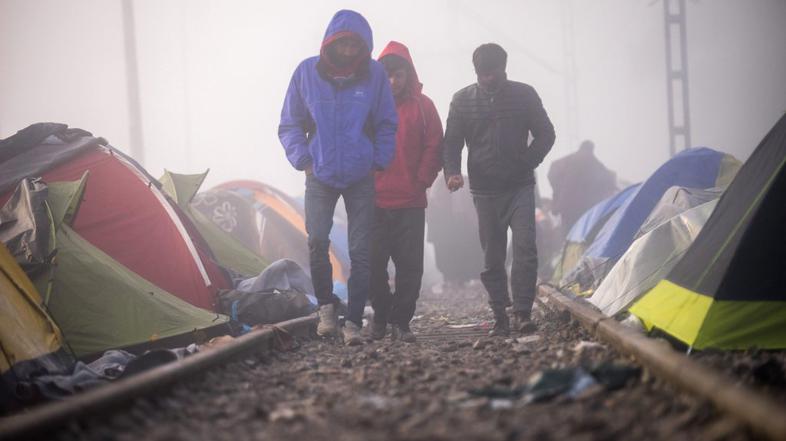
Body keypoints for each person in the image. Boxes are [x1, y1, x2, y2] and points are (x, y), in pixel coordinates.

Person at [278, 10, 398, 346]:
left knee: (361, 251)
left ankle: (354, 322)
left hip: (361, 175)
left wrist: (379, 160)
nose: (348, 51)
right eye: (342, 43)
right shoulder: (306, 73)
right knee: (317, 240)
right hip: (321, 173)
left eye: (354, 45)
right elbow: (290, 123)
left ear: (363, 46)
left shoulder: (374, 74)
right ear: (331, 42)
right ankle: (326, 309)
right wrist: (303, 160)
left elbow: (387, 121)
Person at [443, 43, 555, 337]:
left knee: (524, 249)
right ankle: (499, 313)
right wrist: (452, 172)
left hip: (519, 186)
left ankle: (521, 312)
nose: (489, 79)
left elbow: (546, 133)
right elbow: (452, 142)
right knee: (492, 255)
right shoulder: (462, 101)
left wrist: (528, 161)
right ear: (476, 72)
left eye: (493, 73)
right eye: (483, 74)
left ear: (504, 68)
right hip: (484, 191)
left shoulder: (524, 95)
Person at [369, 41, 444, 343]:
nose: (392, 82)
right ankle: (382, 316)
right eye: (386, 76)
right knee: (372, 265)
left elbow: (435, 143)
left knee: (410, 267)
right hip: (374, 201)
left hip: (411, 202)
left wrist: (422, 180)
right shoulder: (369, 107)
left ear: (408, 74)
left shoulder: (423, 107)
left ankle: (401, 322)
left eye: (398, 75)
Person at [547, 140, 617, 238]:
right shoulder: (596, 164)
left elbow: (562, 184)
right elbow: (608, 185)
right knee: (583, 238)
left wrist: (557, 205)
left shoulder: (564, 162)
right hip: (586, 210)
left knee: (569, 237)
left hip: (568, 209)